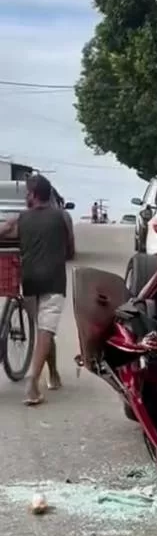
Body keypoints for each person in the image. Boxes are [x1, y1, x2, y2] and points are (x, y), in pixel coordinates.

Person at [0, 173, 72, 405]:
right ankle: (33, 383)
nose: (25, 198)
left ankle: (54, 374)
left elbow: (5, 234)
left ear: (32, 195)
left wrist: (13, 230)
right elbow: (70, 247)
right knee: (46, 330)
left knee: (43, 329)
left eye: (27, 194)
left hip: (30, 281)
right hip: (54, 280)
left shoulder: (21, 219)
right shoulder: (61, 216)